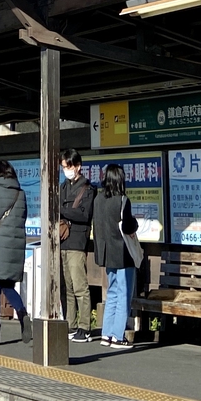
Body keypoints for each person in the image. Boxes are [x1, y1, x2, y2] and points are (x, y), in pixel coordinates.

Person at [0, 160, 31, 345]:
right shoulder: (21, 193)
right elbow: (23, 218)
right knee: (8, 286)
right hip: (16, 245)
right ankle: (22, 313)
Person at [93, 162, 140, 349]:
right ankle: (118, 336)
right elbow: (128, 227)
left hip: (106, 253)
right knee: (124, 294)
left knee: (112, 293)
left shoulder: (98, 200)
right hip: (123, 252)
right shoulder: (122, 200)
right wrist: (135, 223)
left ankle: (106, 334)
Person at [59, 150, 95, 342]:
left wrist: (63, 210)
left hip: (77, 241)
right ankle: (70, 323)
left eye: (69, 166)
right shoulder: (63, 186)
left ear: (78, 166)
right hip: (63, 240)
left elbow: (84, 215)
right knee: (67, 286)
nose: (66, 170)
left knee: (80, 286)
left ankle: (85, 327)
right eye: (64, 167)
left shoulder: (88, 189)